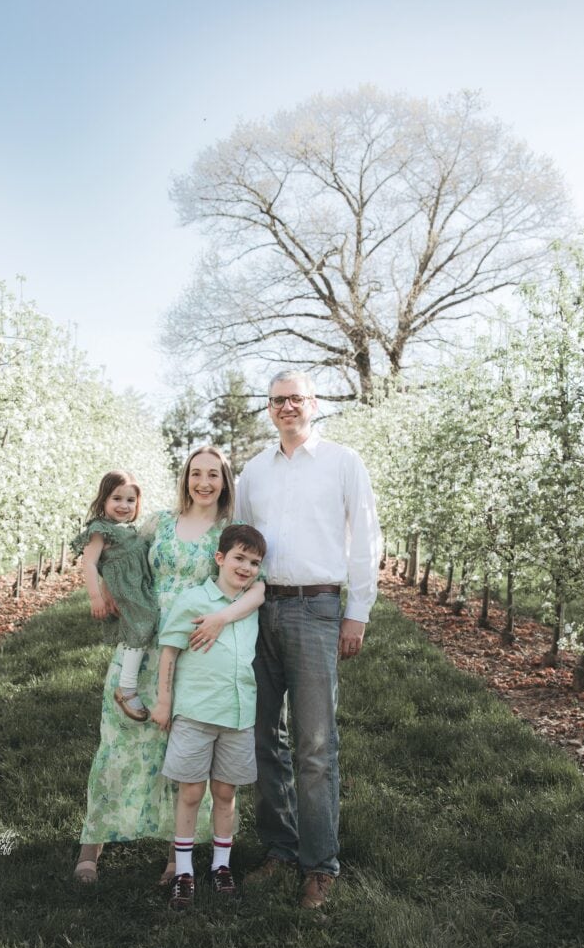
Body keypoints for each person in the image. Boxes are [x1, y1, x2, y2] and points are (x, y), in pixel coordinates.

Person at [73, 446, 265, 884]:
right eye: (195, 473)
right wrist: (104, 589)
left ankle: (176, 854)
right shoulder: (158, 521)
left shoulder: (229, 531)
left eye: (213, 474)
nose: (203, 482)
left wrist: (220, 618)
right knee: (117, 735)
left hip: (193, 645)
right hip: (140, 638)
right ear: (185, 478)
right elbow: (117, 556)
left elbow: (259, 587)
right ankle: (93, 843)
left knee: (180, 747)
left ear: (225, 481)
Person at [235, 369, 381, 910]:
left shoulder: (343, 463)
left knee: (315, 746)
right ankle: (279, 849)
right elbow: (240, 541)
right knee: (261, 738)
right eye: (277, 400)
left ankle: (320, 865)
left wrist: (357, 612)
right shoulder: (254, 472)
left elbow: (366, 536)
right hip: (260, 610)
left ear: (313, 404)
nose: (287, 407)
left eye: (295, 398)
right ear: (269, 408)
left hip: (318, 608)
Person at [150, 523, 267, 909]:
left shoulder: (250, 601)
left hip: (238, 713)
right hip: (196, 711)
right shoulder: (194, 600)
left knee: (225, 792)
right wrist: (165, 702)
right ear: (220, 558)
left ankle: (221, 865)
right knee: (191, 791)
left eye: (254, 562)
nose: (246, 567)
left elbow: (261, 590)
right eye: (239, 558)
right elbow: (169, 650)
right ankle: (183, 870)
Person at [71, 470, 159, 722]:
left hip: (139, 587)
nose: (124, 505)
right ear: (104, 500)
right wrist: (96, 596)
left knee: (145, 626)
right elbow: (89, 563)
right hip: (127, 591)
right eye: (117, 498)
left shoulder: (128, 528)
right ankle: (127, 687)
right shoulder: (100, 529)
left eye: (130, 500)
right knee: (142, 625)